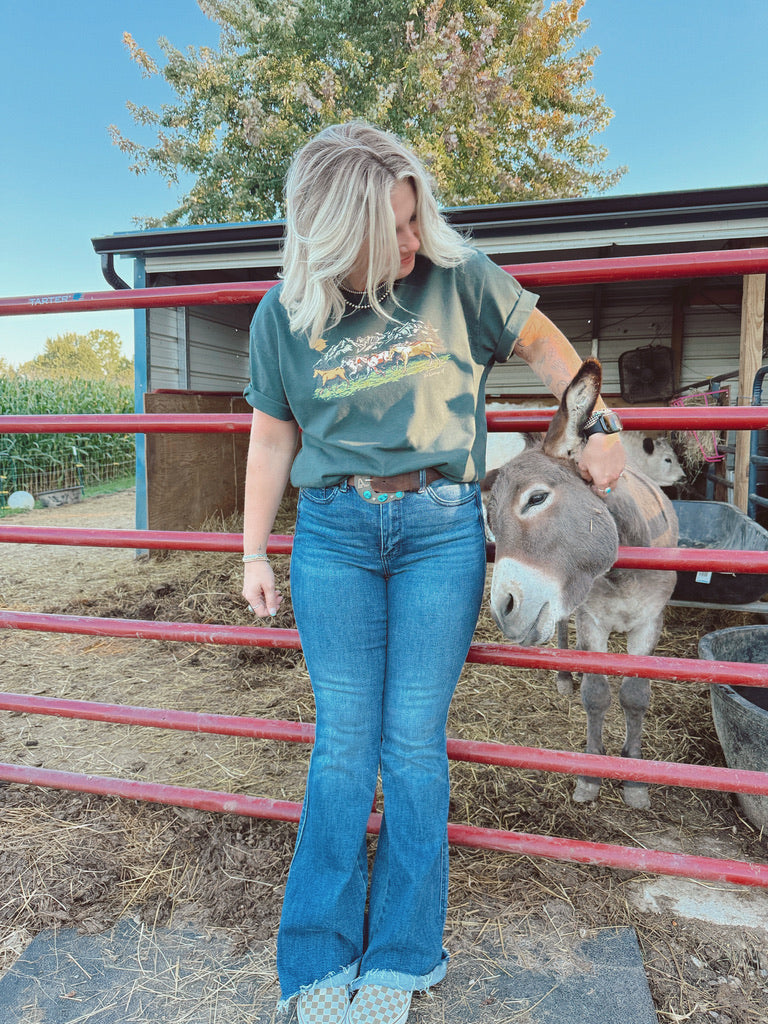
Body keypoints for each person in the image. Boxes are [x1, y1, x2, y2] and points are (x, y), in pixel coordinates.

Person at [241, 121, 625, 1024]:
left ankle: (402, 958)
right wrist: (252, 550)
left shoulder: (459, 276)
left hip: (441, 529)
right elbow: (270, 439)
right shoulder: (281, 316)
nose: (415, 241)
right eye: (394, 231)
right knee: (343, 744)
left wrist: (602, 427)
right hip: (334, 533)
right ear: (336, 238)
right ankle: (318, 959)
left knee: (413, 744)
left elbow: (544, 344)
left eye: (415, 219)